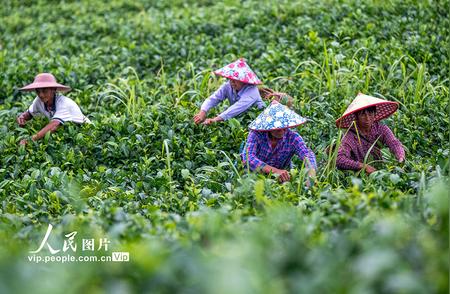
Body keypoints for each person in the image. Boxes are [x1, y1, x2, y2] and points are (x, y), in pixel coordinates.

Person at [241, 101, 317, 184]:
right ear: (268, 124)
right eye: (277, 128)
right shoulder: (256, 134)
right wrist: (275, 171)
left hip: (281, 180)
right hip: (253, 177)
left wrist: (311, 174)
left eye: (284, 127)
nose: (281, 131)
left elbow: (307, 154)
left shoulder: (293, 138)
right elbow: (248, 158)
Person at [335, 93, 405, 174]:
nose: (367, 118)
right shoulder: (350, 135)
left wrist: (400, 157)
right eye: (363, 115)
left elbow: (394, 143)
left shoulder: (381, 129)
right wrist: (363, 166)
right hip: (357, 174)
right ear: (356, 117)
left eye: (370, 114)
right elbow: (339, 159)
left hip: (378, 169)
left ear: (375, 114)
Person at [16, 73, 90, 145]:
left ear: (53, 90)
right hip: (67, 133)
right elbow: (29, 113)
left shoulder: (64, 103)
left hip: (85, 132)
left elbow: (54, 126)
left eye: (45, 91)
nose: (41, 95)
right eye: (38, 91)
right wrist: (22, 117)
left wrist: (31, 140)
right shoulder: (38, 100)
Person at [193, 58, 265, 125]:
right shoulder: (228, 86)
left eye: (235, 80)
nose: (232, 82)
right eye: (230, 79)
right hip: (237, 120)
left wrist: (216, 119)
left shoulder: (252, 90)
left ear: (243, 80)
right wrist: (202, 112)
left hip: (258, 120)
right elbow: (213, 98)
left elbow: (237, 108)